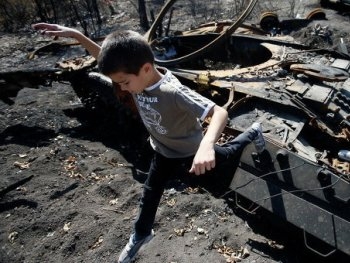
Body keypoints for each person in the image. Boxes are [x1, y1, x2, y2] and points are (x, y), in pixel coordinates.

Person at [32, 23, 266, 263]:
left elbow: (219, 113)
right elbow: (106, 60)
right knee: (150, 192)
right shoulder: (134, 77)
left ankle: (252, 133)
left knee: (228, 155)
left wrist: (206, 146)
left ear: (145, 69)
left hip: (191, 151)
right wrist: (77, 36)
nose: (121, 88)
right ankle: (142, 233)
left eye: (124, 83)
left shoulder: (172, 91)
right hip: (163, 151)